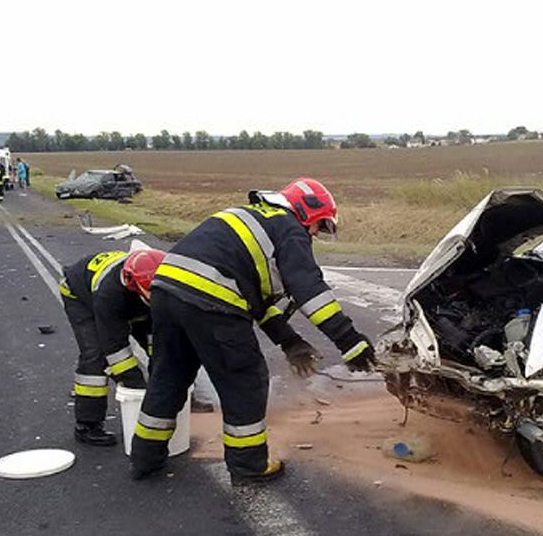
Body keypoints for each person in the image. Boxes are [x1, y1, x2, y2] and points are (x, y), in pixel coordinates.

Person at [130, 177, 376, 484]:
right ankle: (249, 466)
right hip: (211, 300)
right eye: (319, 225)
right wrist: (350, 342)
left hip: (166, 290)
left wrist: (291, 341)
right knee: (244, 380)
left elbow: (254, 301)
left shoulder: (249, 217)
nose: (315, 233)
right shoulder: (289, 227)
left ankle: (145, 457)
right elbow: (310, 292)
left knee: (169, 376)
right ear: (306, 212)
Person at [59, 248, 166, 446]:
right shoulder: (109, 296)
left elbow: (160, 338)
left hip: (132, 302)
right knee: (95, 355)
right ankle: (87, 424)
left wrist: (166, 382)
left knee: (161, 345)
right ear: (133, 284)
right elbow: (115, 349)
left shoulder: (159, 279)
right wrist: (138, 389)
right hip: (81, 298)